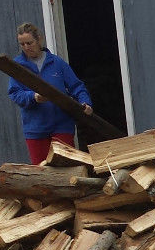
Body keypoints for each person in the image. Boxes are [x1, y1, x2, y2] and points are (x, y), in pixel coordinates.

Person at [7, 22, 94, 163]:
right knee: (42, 174)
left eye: (29, 43)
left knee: (67, 169)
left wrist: (85, 102)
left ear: (39, 39)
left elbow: (77, 86)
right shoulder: (17, 66)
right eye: (22, 44)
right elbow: (15, 93)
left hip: (62, 126)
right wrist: (33, 97)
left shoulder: (57, 63)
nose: (26, 48)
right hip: (35, 130)